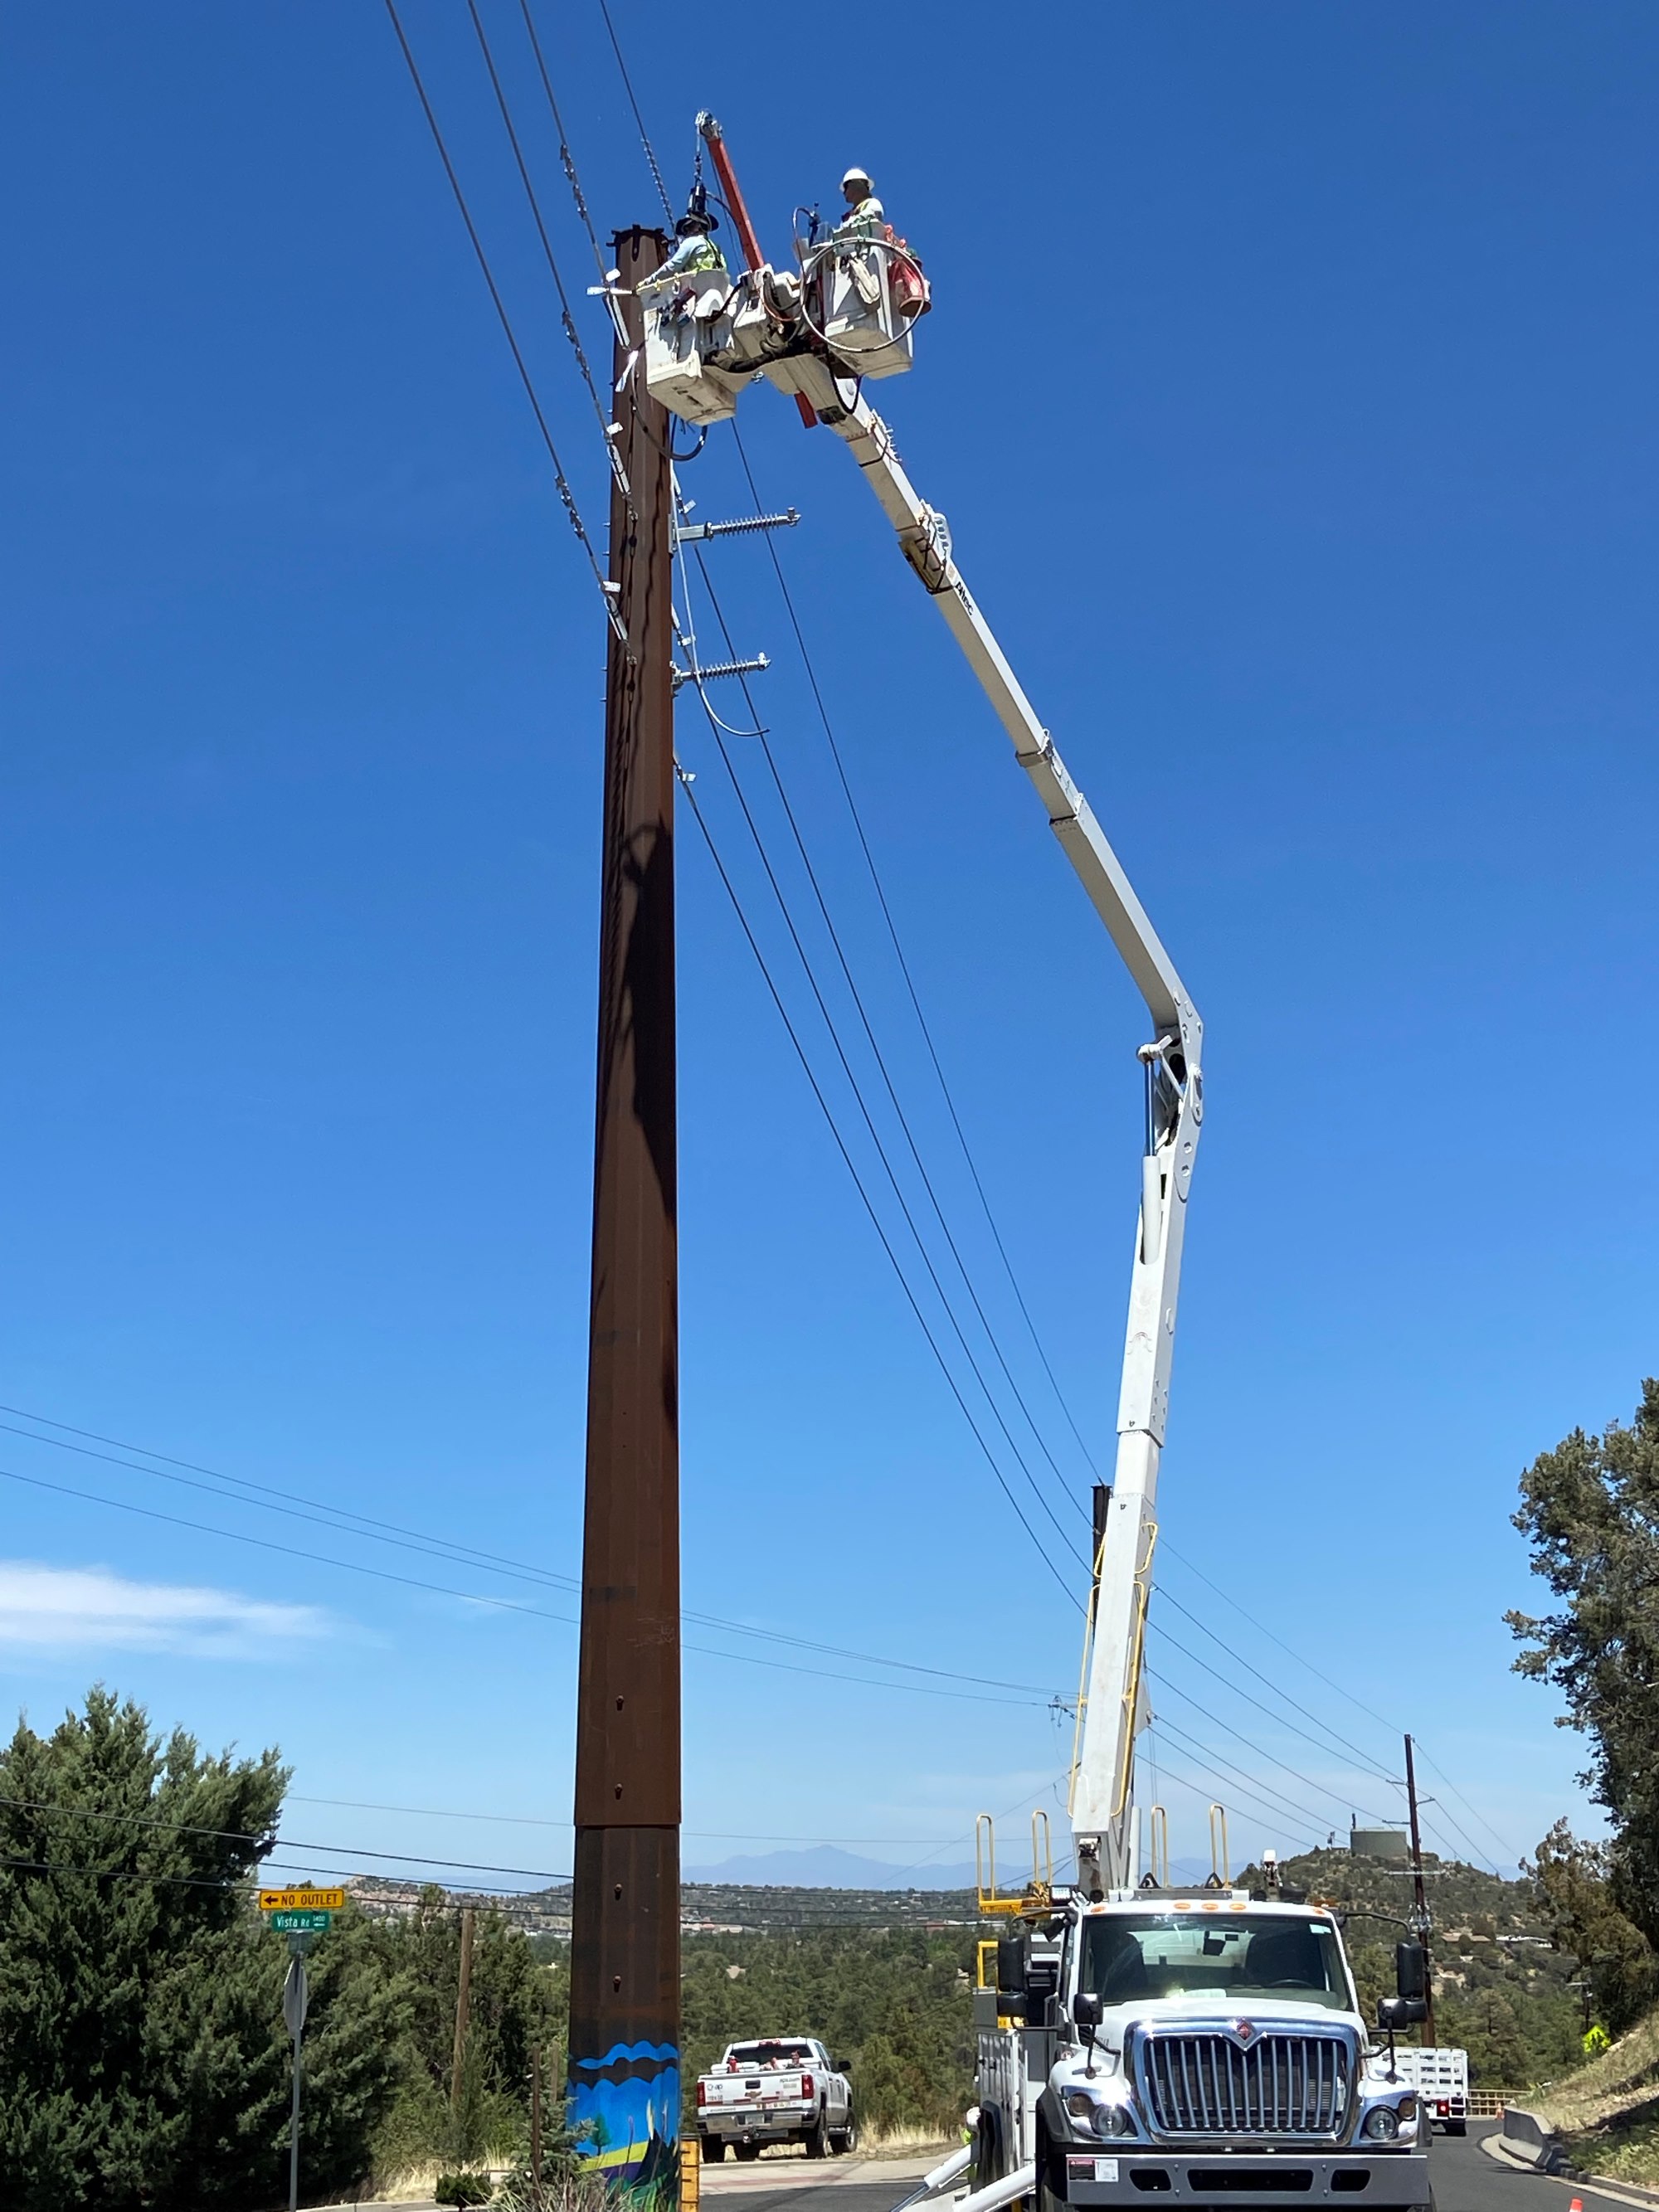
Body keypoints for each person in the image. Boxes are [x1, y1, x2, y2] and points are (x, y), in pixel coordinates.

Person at [658, 205, 726, 281]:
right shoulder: (715, 249)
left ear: (699, 227)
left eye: (689, 227)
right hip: (718, 287)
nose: (687, 232)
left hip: (698, 285)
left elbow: (673, 265)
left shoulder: (692, 241)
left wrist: (649, 281)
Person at [836, 165, 884, 240]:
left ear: (857, 184)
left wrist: (854, 220)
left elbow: (873, 213)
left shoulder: (872, 203)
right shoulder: (848, 215)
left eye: (846, 187)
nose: (844, 192)